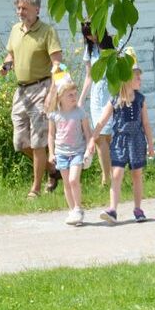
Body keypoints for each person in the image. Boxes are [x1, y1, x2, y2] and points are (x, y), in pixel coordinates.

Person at [0, 0, 63, 198]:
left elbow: (57, 64)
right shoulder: (15, 30)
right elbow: (12, 54)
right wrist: (6, 65)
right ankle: (52, 170)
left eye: (24, 8)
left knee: (37, 142)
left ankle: (35, 189)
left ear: (37, 9)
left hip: (41, 87)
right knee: (20, 143)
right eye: (18, 8)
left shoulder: (47, 31)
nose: (20, 12)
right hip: (21, 91)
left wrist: (53, 92)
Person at [89, 52, 155, 224]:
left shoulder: (141, 100)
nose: (140, 80)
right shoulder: (114, 100)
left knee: (136, 174)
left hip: (137, 141)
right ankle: (113, 210)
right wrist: (92, 139)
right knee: (116, 174)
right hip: (119, 141)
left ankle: (138, 208)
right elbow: (102, 121)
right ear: (126, 78)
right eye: (136, 77)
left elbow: (146, 124)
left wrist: (151, 144)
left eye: (140, 76)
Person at [46, 81, 93, 225]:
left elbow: (88, 133)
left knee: (73, 180)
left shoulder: (80, 113)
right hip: (61, 153)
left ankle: (78, 208)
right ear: (60, 97)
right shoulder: (54, 114)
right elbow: (51, 135)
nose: (74, 97)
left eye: (75, 94)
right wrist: (51, 153)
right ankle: (73, 212)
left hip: (77, 152)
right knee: (66, 183)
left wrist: (88, 150)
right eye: (70, 95)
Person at [79, 21, 115, 185]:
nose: (90, 37)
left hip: (112, 92)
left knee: (112, 135)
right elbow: (89, 76)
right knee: (99, 137)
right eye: (87, 34)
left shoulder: (113, 43)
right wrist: (81, 99)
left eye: (91, 32)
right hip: (97, 95)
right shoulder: (90, 49)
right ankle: (105, 177)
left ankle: (117, 175)